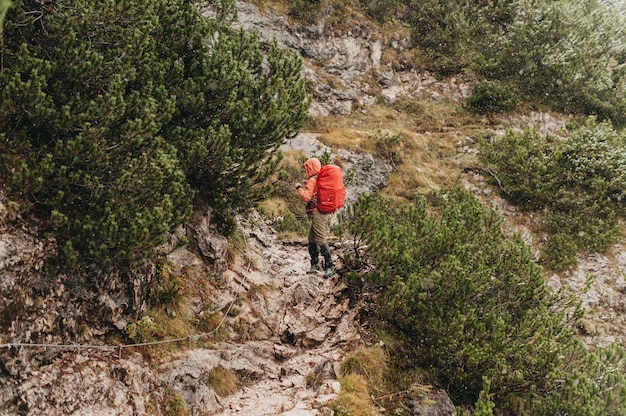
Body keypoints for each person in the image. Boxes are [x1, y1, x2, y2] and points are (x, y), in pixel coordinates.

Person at [296, 157, 335, 278]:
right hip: (320, 211)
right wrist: (307, 185)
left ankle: (330, 266)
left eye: (307, 167)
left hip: (317, 212)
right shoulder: (318, 178)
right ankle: (314, 264)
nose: (306, 170)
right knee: (311, 238)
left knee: (320, 238)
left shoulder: (313, 180)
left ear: (310, 167)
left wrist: (299, 188)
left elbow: (306, 198)